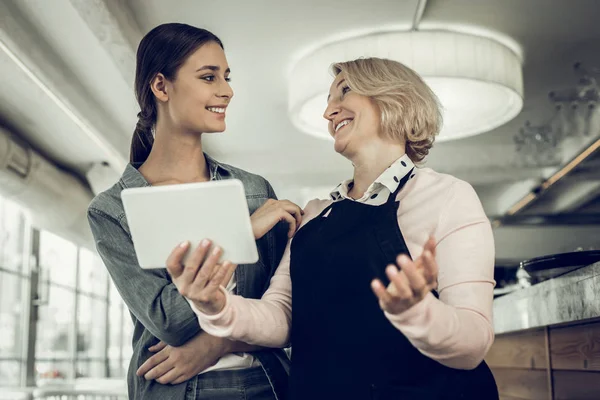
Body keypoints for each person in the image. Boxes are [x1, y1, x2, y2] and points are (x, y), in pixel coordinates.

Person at [167, 57, 499, 399]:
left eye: (344, 91)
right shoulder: (314, 214)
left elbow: (473, 345)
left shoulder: (448, 197)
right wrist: (215, 307)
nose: (329, 113)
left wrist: (418, 312)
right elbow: (282, 317)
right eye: (328, 103)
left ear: (395, 98)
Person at [87, 23, 302, 400]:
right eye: (209, 77)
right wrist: (240, 232)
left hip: (266, 385)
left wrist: (215, 346)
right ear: (161, 87)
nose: (227, 90)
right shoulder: (111, 210)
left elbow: (282, 312)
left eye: (226, 76)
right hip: (174, 390)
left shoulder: (254, 191)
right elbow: (168, 321)